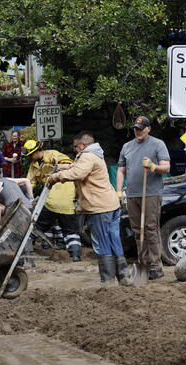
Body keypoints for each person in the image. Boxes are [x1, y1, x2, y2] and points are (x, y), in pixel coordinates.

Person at [49, 132, 130, 286]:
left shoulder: (86, 156)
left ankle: (108, 280)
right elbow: (77, 166)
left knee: (102, 243)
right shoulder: (96, 154)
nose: (74, 150)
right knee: (114, 240)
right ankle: (124, 276)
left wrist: (55, 177)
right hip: (111, 204)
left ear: (83, 145)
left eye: (76, 147)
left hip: (99, 207)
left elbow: (78, 172)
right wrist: (61, 167)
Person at [116, 116, 170, 280]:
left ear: (148, 129)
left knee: (151, 228)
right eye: (135, 128)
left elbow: (166, 167)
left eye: (141, 128)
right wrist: (118, 191)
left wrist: (153, 166)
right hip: (132, 194)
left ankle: (155, 266)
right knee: (137, 230)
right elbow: (121, 170)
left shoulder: (157, 144)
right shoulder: (127, 146)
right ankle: (143, 263)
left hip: (151, 193)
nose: (137, 131)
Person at [23, 139, 82, 262]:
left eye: (31, 155)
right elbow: (30, 182)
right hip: (55, 196)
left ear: (38, 151)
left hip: (63, 189)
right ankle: (75, 254)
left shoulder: (53, 154)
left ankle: (25, 246)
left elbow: (68, 163)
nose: (30, 158)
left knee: (38, 225)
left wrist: (54, 163)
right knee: (70, 228)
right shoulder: (33, 166)